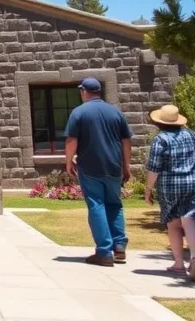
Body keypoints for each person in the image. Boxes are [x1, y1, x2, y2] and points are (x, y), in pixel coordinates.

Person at [144, 105, 195, 282]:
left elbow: (154, 168)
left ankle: (178, 263)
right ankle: (194, 258)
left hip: (170, 185)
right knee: (190, 220)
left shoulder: (160, 140)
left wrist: (148, 189)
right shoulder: (190, 134)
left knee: (173, 224)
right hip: (192, 181)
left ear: (159, 122)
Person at [64, 78, 132, 267]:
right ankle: (119, 246)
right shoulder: (115, 112)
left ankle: (104, 252)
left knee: (96, 205)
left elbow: (71, 141)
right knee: (115, 205)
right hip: (114, 166)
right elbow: (126, 141)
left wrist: (68, 161)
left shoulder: (79, 112)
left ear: (84, 91)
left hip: (90, 167)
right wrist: (127, 166)